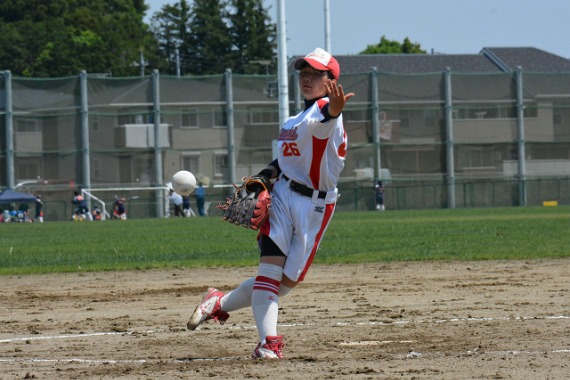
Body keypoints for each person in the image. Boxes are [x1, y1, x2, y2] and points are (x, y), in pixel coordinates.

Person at [187, 48, 354, 359]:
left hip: (316, 207)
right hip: (283, 196)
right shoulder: (293, 120)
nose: (307, 77)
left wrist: (334, 109)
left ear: (331, 80)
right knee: (270, 272)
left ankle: (218, 303)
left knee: (285, 284)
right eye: (304, 71)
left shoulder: (324, 112)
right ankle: (269, 344)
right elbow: (288, 158)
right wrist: (265, 176)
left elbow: (324, 123)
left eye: (316, 73)